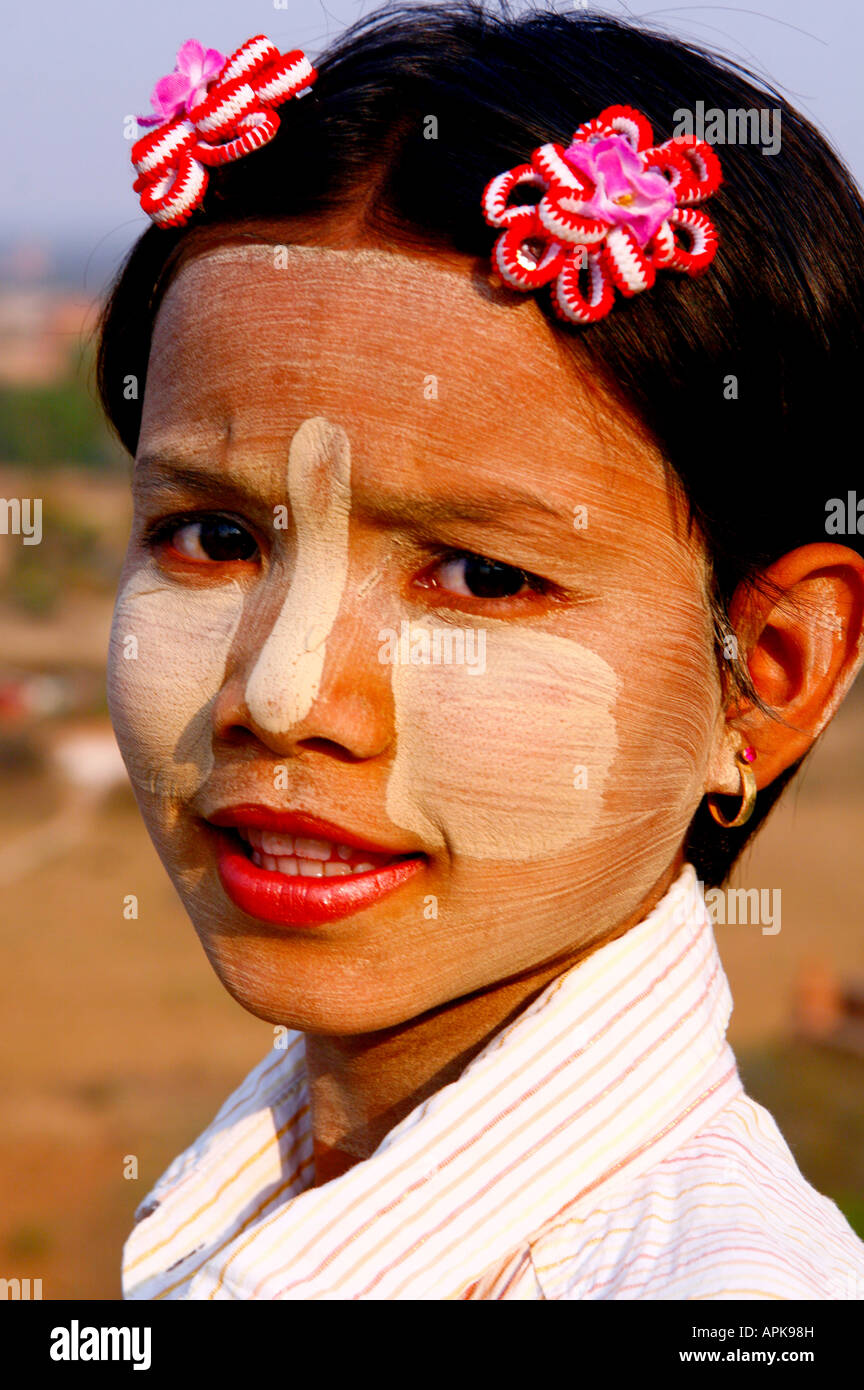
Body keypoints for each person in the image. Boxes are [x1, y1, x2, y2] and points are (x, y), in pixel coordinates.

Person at [98, 2, 864, 1298]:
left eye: (483, 574)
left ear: (774, 666)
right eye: (213, 535)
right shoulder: (258, 1188)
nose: (282, 697)